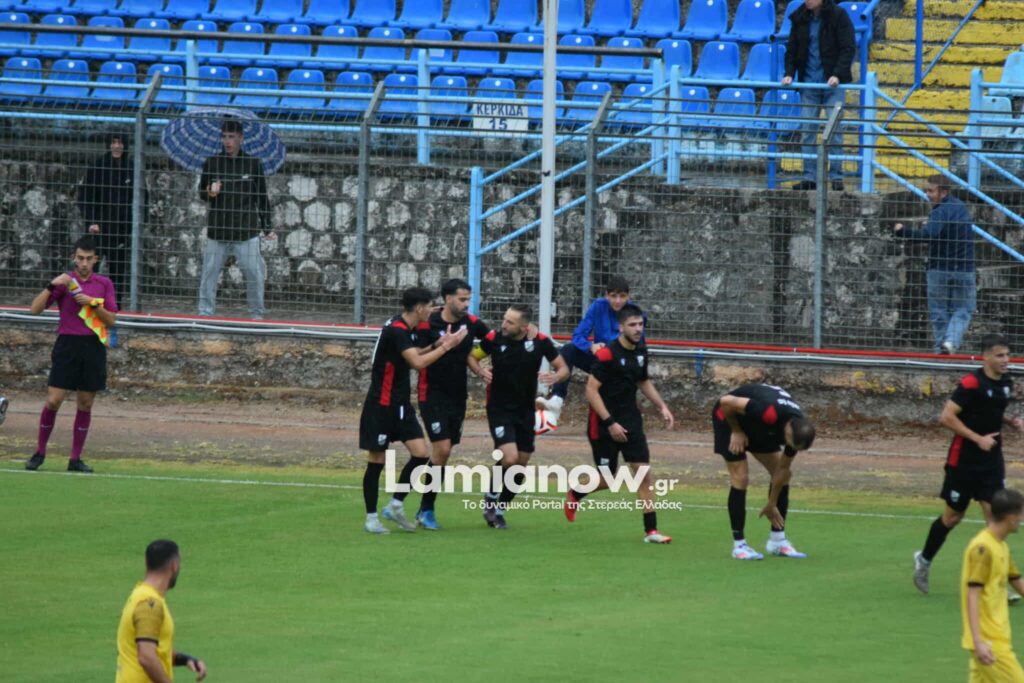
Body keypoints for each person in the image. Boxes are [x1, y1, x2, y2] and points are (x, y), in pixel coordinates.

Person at [913, 334, 1023, 595]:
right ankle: (924, 560)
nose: (1005, 360)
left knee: (995, 518)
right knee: (953, 517)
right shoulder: (971, 383)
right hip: (963, 461)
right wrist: (977, 438)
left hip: (991, 461)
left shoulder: (1006, 383)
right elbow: (947, 417)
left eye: (1007, 355)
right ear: (985, 357)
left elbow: (990, 409)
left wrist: (1010, 422)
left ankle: (998, 581)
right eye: (999, 355)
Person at [563, 303, 675, 544]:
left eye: (640, 324)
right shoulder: (607, 354)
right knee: (609, 479)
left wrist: (662, 406)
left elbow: (643, 380)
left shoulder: (641, 350)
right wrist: (610, 423)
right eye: (632, 325)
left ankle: (651, 531)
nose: (638, 329)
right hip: (603, 423)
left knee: (643, 474)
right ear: (620, 327)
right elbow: (591, 391)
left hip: (631, 420)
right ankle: (577, 492)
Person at [361, 287, 468, 535]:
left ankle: (396, 505)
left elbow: (414, 353)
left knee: (421, 454)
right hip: (381, 405)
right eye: (430, 307)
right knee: (376, 460)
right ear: (419, 308)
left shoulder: (406, 329)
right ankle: (371, 518)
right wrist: (447, 346)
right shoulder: (396, 330)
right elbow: (418, 363)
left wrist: (438, 343)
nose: (432, 311)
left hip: (401, 404)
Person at [470, 304, 568, 529]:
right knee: (510, 458)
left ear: (524, 327)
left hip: (525, 411)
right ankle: (491, 498)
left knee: (520, 464)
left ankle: (500, 511)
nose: (503, 324)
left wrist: (556, 377)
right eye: (504, 319)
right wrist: (480, 371)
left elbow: (563, 368)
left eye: (510, 322)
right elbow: (473, 357)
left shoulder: (541, 341)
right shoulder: (494, 338)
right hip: (499, 409)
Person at [25, 236, 118, 474]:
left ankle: (75, 459)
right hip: (67, 344)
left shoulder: (104, 283)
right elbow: (35, 310)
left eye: (88, 259)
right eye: (80, 258)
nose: (84, 263)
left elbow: (111, 320)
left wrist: (93, 304)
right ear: (73, 258)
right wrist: (51, 285)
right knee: (54, 400)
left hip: (93, 346)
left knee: (85, 403)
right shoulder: (65, 282)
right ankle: (39, 452)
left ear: (95, 259)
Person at [410, 278, 491, 530]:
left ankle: (423, 508)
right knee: (442, 449)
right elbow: (415, 354)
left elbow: (495, 340)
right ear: (447, 299)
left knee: (443, 453)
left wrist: (479, 367)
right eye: (462, 299)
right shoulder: (428, 322)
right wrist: (441, 344)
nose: (467, 304)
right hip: (431, 394)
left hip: (458, 396)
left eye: (469, 299)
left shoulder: (472, 323)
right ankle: (426, 508)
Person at [712, 383, 816, 560]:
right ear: (788, 430)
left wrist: (771, 503)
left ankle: (777, 541)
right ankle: (739, 545)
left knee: (782, 475)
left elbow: (782, 470)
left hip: (759, 427)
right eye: (789, 443)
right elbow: (726, 401)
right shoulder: (769, 412)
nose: (789, 447)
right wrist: (737, 431)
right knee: (741, 477)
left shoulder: (799, 430)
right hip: (729, 418)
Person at [198, 119, 274, 320]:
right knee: (209, 274)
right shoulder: (212, 163)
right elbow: (201, 192)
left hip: (245, 230)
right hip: (218, 230)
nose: (227, 141)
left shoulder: (253, 164)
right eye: (224, 137)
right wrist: (210, 192)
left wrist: (267, 227)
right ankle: (205, 313)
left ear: (240, 138)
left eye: (231, 137)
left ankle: (256, 314)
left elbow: (261, 198)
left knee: (254, 274)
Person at [535, 276, 637, 424]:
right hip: (599, 360)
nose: (617, 301)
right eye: (613, 296)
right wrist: (591, 346)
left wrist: (611, 349)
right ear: (606, 295)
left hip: (622, 364)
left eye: (622, 296)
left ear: (628, 296)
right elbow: (578, 335)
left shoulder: (634, 312)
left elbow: (637, 344)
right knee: (568, 350)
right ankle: (557, 399)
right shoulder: (598, 306)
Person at [894, 174, 976, 355]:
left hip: (939, 268)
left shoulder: (939, 212)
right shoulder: (960, 207)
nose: (927, 194)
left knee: (939, 311)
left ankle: (941, 349)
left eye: (931, 191)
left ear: (943, 192)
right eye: (926, 190)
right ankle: (950, 342)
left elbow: (929, 234)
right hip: (964, 268)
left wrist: (903, 231)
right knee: (963, 309)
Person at [782, 0, 856, 191]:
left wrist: (837, 74)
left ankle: (836, 177)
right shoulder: (799, 17)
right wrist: (789, 73)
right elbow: (792, 49)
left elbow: (848, 47)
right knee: (807, 131)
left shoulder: (838, 15)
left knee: (835, 132)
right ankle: (810, 177)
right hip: (808, 83)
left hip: (833, 85)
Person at [116, 539, 207, 683]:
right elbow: (146, 656)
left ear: (146, 563)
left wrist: (185, 659)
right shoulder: (149, 604)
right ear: (174, 565)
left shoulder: (140, 595)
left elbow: (154, 651)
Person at [960, 488, 1024, 683]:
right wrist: (978, 641)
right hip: (989, 643)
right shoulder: (984, 549)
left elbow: (1016, 581)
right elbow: (973, 594)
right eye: (1020, 514)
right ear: (1011, 517)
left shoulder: (1001, 546)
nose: (1021, 519)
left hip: (996, 638)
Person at [78, 131, 142, 298]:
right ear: (108, 145)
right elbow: (85, 196)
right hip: (99, 227)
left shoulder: (132, 168)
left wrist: (134, 224)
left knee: (118, 270)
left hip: (121, 228)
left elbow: (142, 197)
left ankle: (115, 304)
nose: (117, 146)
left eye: (120, 142)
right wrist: (92, 221)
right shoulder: (98, 167)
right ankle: (86, 300)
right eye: (113, 142)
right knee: (91, 266)